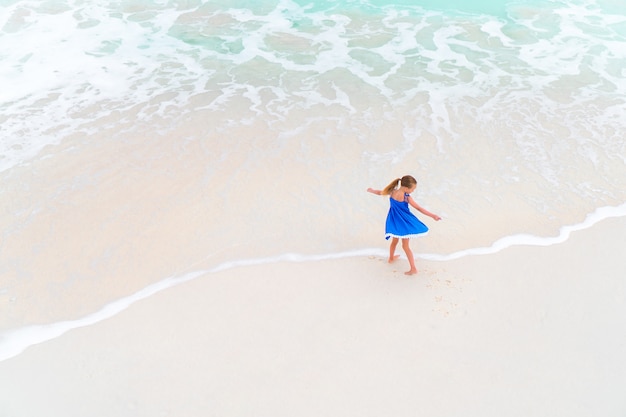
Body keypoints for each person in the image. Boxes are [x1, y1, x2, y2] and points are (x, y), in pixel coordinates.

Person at [367, 175, 441, 275]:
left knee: (394, 241)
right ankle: (413, 268)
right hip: (404, 223)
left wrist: (371, 190)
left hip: (394, 221)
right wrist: (433, 215)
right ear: (406, 188)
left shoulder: (392, 191)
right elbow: (419, 208)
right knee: (405, 246)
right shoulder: (407, 197)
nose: (412, 191)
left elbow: (380, 192)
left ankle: (391, 258)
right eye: (413, 189)